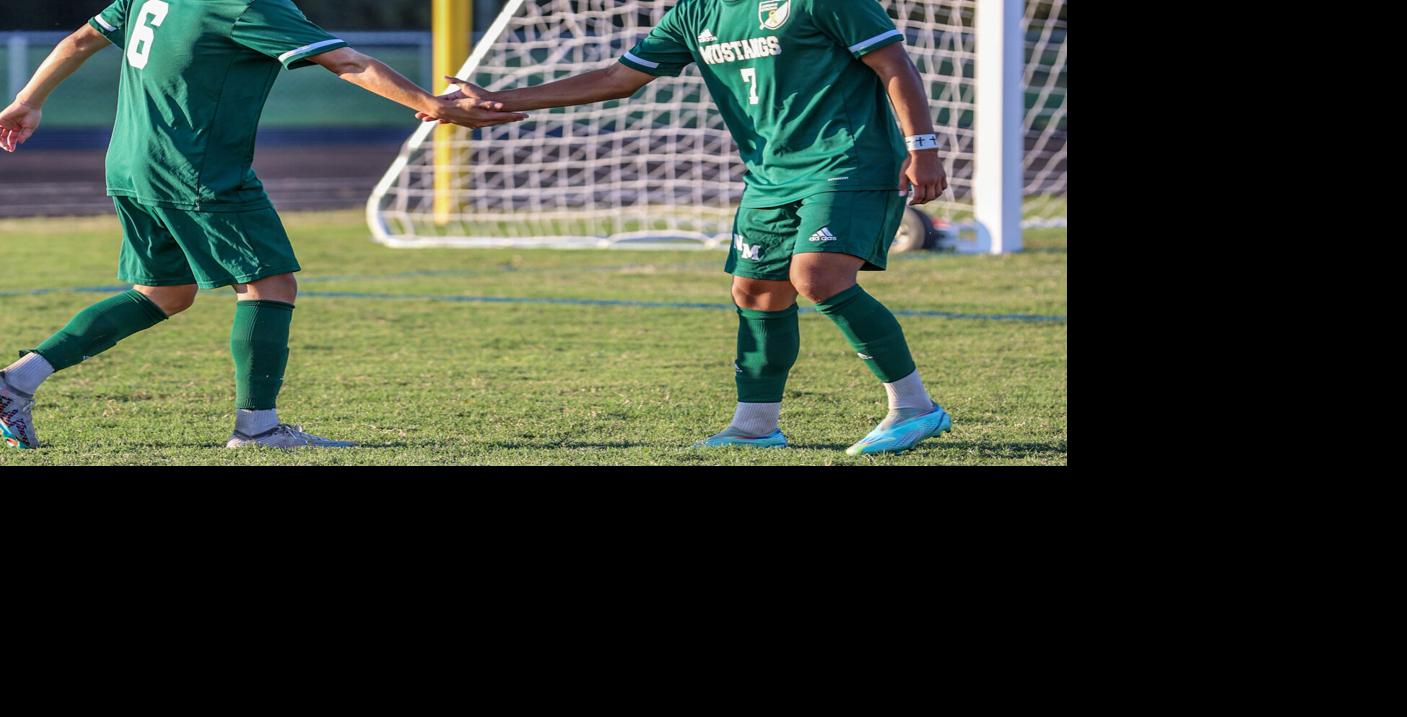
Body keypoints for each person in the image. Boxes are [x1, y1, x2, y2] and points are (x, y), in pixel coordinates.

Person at [422, 0, 952, 455]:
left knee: (817, 278)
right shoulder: (694, 12)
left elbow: (895, 64)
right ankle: (755, 428)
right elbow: (617, 79)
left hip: (847, 161)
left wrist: (921, 148)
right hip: (769, 176)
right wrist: (497, 101)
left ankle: (913, 407)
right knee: (757, 292)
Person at [0, 0, 523, 450]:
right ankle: (257, 428)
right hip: (198, 167)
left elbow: (80, 38)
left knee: (165, 292)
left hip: (131, 162)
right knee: (269, 283)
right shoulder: (247, 4)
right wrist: (434, 106)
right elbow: (346, 60)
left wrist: (27, 101)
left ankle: (15, 383)